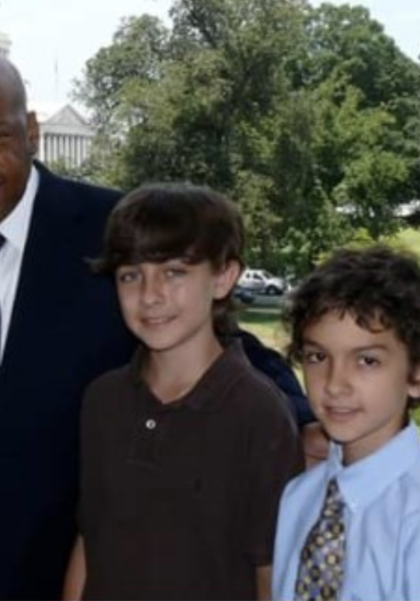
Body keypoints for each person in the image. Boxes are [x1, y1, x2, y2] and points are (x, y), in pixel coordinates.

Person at [0, 50, 315, 600]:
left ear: (31, 132)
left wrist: (307, 418)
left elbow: (214, 334)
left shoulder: (112, 233)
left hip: (76, 569)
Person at [63, 183, 304, 601]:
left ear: (224, 277)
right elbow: (90, 540)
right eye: (130, 275)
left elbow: (272, 573)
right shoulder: (101, 400)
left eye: (174, 272)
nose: (150, 295)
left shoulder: (259, 413)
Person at [272, 246, 420, 601]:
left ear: (419, 373)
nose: (335, 383)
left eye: (367, 360)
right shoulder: (299, 498)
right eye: (318, 357)